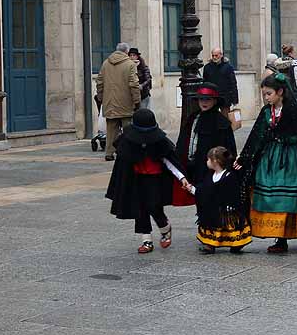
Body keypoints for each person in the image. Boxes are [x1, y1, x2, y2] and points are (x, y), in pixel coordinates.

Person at [235, 72, 297, 253]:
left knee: (295, 196)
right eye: (264, 94)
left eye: (269, 94)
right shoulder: (266, 111)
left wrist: (283, 138)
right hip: (271, 158)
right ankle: (280, 239)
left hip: (292, 158)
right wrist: (244, 158)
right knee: (274, 198)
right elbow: (256, 135)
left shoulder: (292, 109)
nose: (266, 98)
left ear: (280, 92)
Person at [105, 108, 185, 254]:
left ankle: (165, 228)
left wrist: (182, 178)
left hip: (155, 179)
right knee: (139, 208)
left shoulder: (159, 142)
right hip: (135, 179)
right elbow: (122, 165)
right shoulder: (127, 141)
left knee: (154, 206)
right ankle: (146, 239)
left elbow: (169, 160)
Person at [174, 82, 237, 192]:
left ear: (215, 101)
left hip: (212, 168)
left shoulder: (221, 122)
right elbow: (184, 141)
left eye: (208, 99)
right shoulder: (193, 118)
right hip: (193, 166)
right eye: (201, 99)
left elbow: (229, 149)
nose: (204, 102)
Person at [190, 146, 250, 254]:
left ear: (215, 161)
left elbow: (234, 193)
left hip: (228, 210)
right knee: (212, 225)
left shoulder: (229, 176)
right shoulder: (210, 176)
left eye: (208, 159)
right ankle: (210, 244)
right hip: (213, 210)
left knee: (230, 228)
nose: (207, 161)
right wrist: (193, 189)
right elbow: (204, 190)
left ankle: (236, 243)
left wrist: (231, 205)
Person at [95, 42, 141, 162]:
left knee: (111, 130)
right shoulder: (130, 64)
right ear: (126, 52)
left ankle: (109, 153)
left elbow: (99, 81)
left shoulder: (106, 63)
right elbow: (134, 84)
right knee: (128, 129)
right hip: (126, 102)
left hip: (109, 102)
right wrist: (137, 101)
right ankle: (128, 152)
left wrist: (101, 97)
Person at [202, 48, 239, 116]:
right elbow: (205, 83)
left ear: (221, 55)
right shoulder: (207, 67)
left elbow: (233, 83)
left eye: (216, 55)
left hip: (225, 98)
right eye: (213, 55)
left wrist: (235, 100)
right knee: (211, 118)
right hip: (212, 97)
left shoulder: (228, 67)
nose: (214, 57)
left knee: (225, 119)